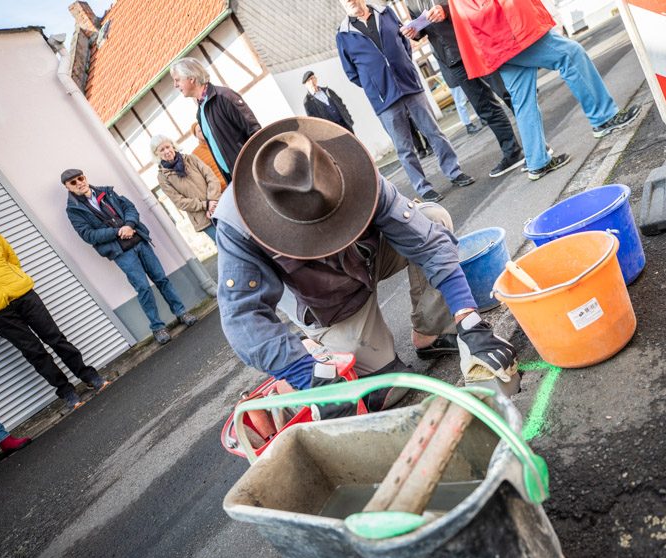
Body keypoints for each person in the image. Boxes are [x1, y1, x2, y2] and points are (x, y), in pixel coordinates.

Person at [214, 117, 517, 418]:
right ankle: (297, 372)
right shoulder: (237, 223)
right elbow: (243, 317)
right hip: (329, 304)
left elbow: (426, 241)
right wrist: (309, 376)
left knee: (434, 218)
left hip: (369, 258)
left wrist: (469, 321)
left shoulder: (347, 165)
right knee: (383, 393)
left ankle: (431, 332)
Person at [445, 0, 641, 180]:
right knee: (570, 55)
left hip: (495, 40)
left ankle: (538, 162)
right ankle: (604, 118)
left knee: (523, 99)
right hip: (509, 29)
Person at [336, 0, 475, 203]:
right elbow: (352, 74)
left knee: (434, 133)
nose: (350, 1)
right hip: (384, 100)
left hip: (409, 86)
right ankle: (424, 188)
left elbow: (404, 43)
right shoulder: (343, 34)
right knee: (404, 148)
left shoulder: (386, 13)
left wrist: (405, 68)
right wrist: (377, 85)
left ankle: (454, 172)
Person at [62, 169, 197, 345]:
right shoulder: (74, 210)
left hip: (139, 241)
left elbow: (129, 208)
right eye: (73, 182)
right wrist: (118, 231)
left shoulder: (106, 191)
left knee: (162, 279)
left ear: (85, 177)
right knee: (143, 288)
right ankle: (158, 327)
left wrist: (129, 224)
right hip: (121, 253)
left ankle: (181, 313)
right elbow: (88, 235)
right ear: (68, 187)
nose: (79, 183)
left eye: (80, 178)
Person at [403, 1, 525, 178]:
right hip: (452, 59)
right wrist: (414, 32)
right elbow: (420, 26)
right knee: (485, 107)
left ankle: (538, 145)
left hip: (475, 45)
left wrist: (444, 10)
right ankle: (512, 152)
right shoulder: (410, 1)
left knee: (508, 94)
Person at [0, 229, 109, 410]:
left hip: (23, 294)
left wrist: (14, 281)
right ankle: (66, 392)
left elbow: (10, 256)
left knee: (55, 337)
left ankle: (88, 375)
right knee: (34, 352)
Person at [170, 58, 261, 184]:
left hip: (252, 172)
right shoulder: (200, 113)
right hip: (235, 178)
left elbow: (255, 131)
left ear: (191, 78)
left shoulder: (224, 97)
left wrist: (260, 167)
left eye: (177, 79)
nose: (175, 85)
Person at [151, 134, 222, 242]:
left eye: (168, 147)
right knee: (223, 247)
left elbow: (211, 177)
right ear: (157, 154)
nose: (166, 151)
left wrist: (212, 201)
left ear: (173, 146)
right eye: (161, 150)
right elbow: (179, 202)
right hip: (202, 218)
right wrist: (206, 205)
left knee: (239, 239)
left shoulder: (190, 158)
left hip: (218, 205)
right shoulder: (162, 177)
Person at [190, 123, 228, 192]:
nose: (203, 131)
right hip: (220, 190)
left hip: (233, 178)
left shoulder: (217, 141)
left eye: (203, 128)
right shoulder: (195, 154)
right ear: (196, 136)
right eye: (199, 131)